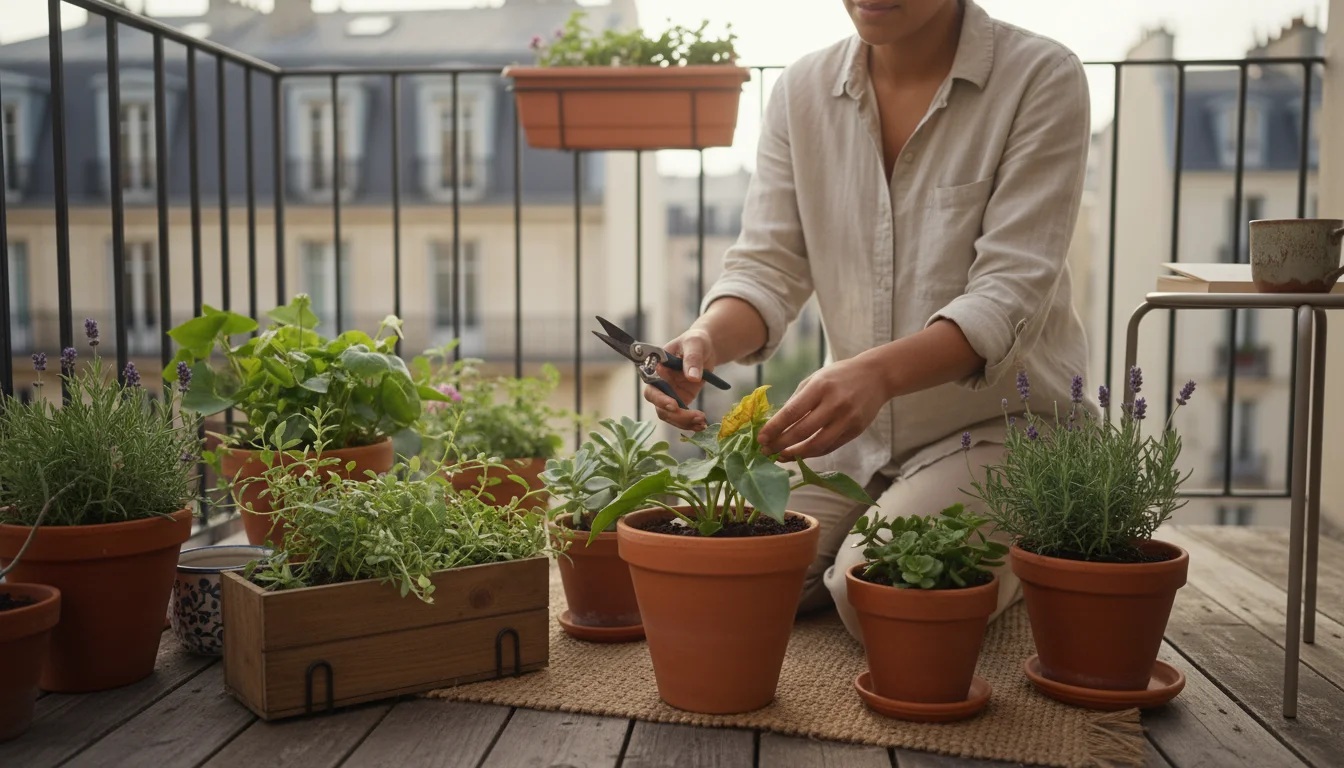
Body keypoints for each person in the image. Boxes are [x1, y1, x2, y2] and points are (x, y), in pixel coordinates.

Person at [644, 0, 1092, 642]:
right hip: (849, 438)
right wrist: (704, 341)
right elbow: (766, 268)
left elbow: (1007, 293)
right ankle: (887, 529)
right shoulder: (801, 90)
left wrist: (877, 375)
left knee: (878, 599)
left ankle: (1038, 536)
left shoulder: (1041, 77)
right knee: (727, 575)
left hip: (1003, 428)